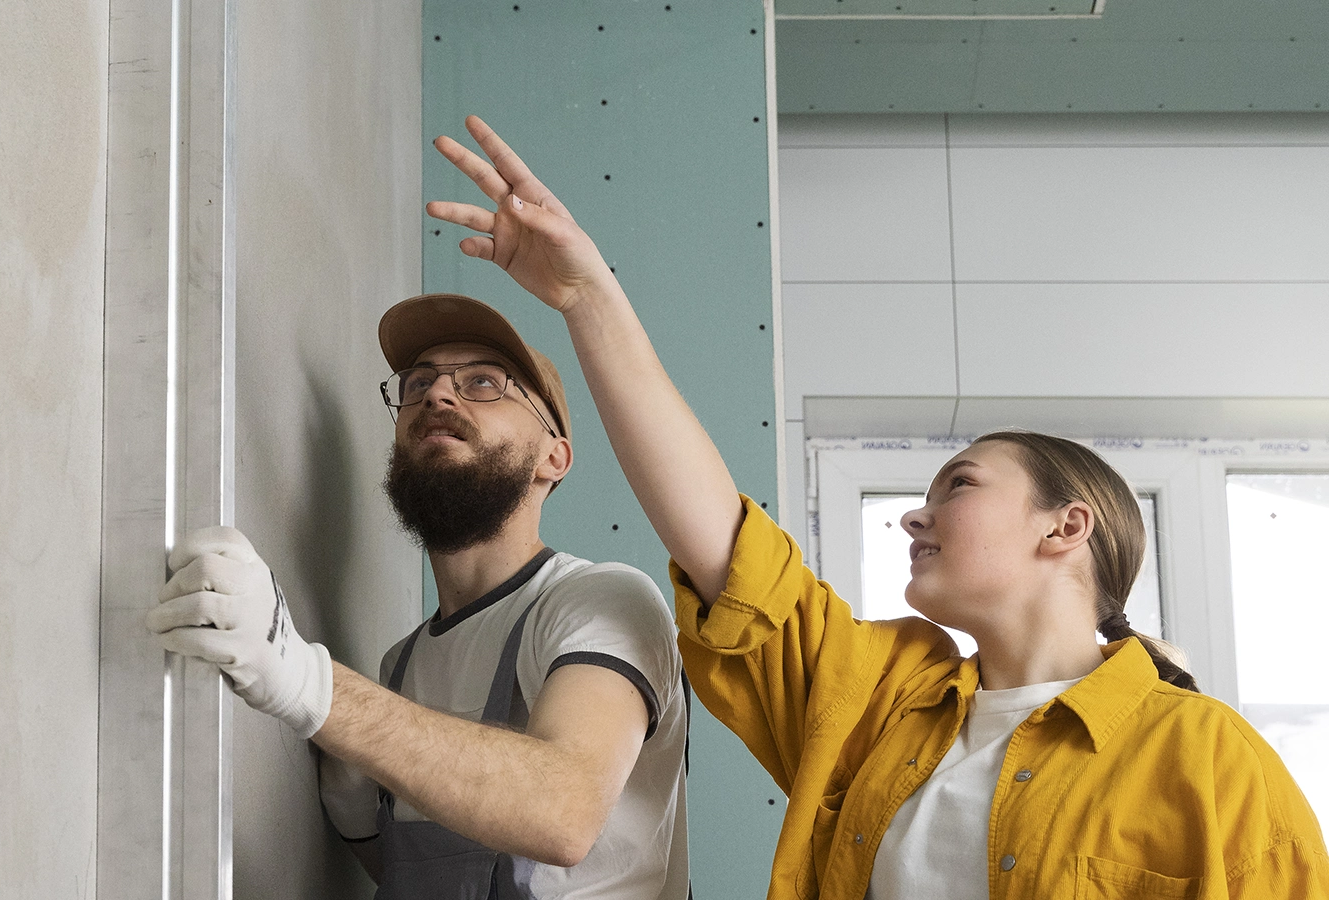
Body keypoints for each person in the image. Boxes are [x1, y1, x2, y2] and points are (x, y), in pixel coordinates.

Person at [424, 115, 1329, 899]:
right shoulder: (880, 702)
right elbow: (721, 544)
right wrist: (586, 295)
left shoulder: (1209, 762)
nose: (912, 516)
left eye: (960, 486)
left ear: (1067, 526)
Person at [147, 292, 690, 900]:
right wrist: (352, 787)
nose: (436, 395)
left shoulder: (603, 601)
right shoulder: (398, 668)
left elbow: (562, 812)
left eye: (485, 382)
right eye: (417, 382)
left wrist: (306, 680)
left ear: (552, 458)